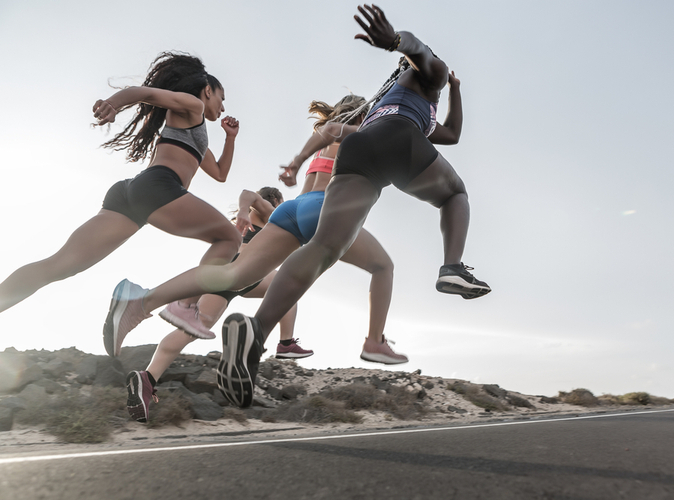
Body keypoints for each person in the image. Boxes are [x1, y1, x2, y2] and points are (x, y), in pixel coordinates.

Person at [215, 4, 491, 407]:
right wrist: (401, 44)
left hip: (361, 148)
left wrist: (456, 90)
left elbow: (448, 133)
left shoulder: (395, 100)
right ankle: (452, 268)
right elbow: (421, 53)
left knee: (324, 248)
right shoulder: (430, 75)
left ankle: (254, 337)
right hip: (400, 140)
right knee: (455, 194)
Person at [106, 93, 406, 407]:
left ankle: (142, 301)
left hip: (291, 210)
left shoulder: (326, 138)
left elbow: (326, 131)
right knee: (381, 267)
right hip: (326, 210)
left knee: (233, 275)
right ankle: (372, 340)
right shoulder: (358, 135)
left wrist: (295, 163)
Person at [0, 52, 242, 356]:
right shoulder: (192, 105)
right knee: (230, 238)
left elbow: (219, 174)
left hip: (131, 194)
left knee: (59, 265)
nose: (223, 105)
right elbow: (147, 93)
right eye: (222, 97)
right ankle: (184, 305)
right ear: (207, 90)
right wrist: (114, 103)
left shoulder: (195, 128)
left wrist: (230, 138)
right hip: (158, 187)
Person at [125, 187, 310, 423]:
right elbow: (249, 193)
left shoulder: (254, 219)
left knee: (194, 326)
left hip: (228, 272)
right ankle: (283, 343)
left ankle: (147, 379)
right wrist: (245, 208)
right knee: (289, 286)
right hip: (243, 267)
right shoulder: (272, 211)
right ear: (275, 199)